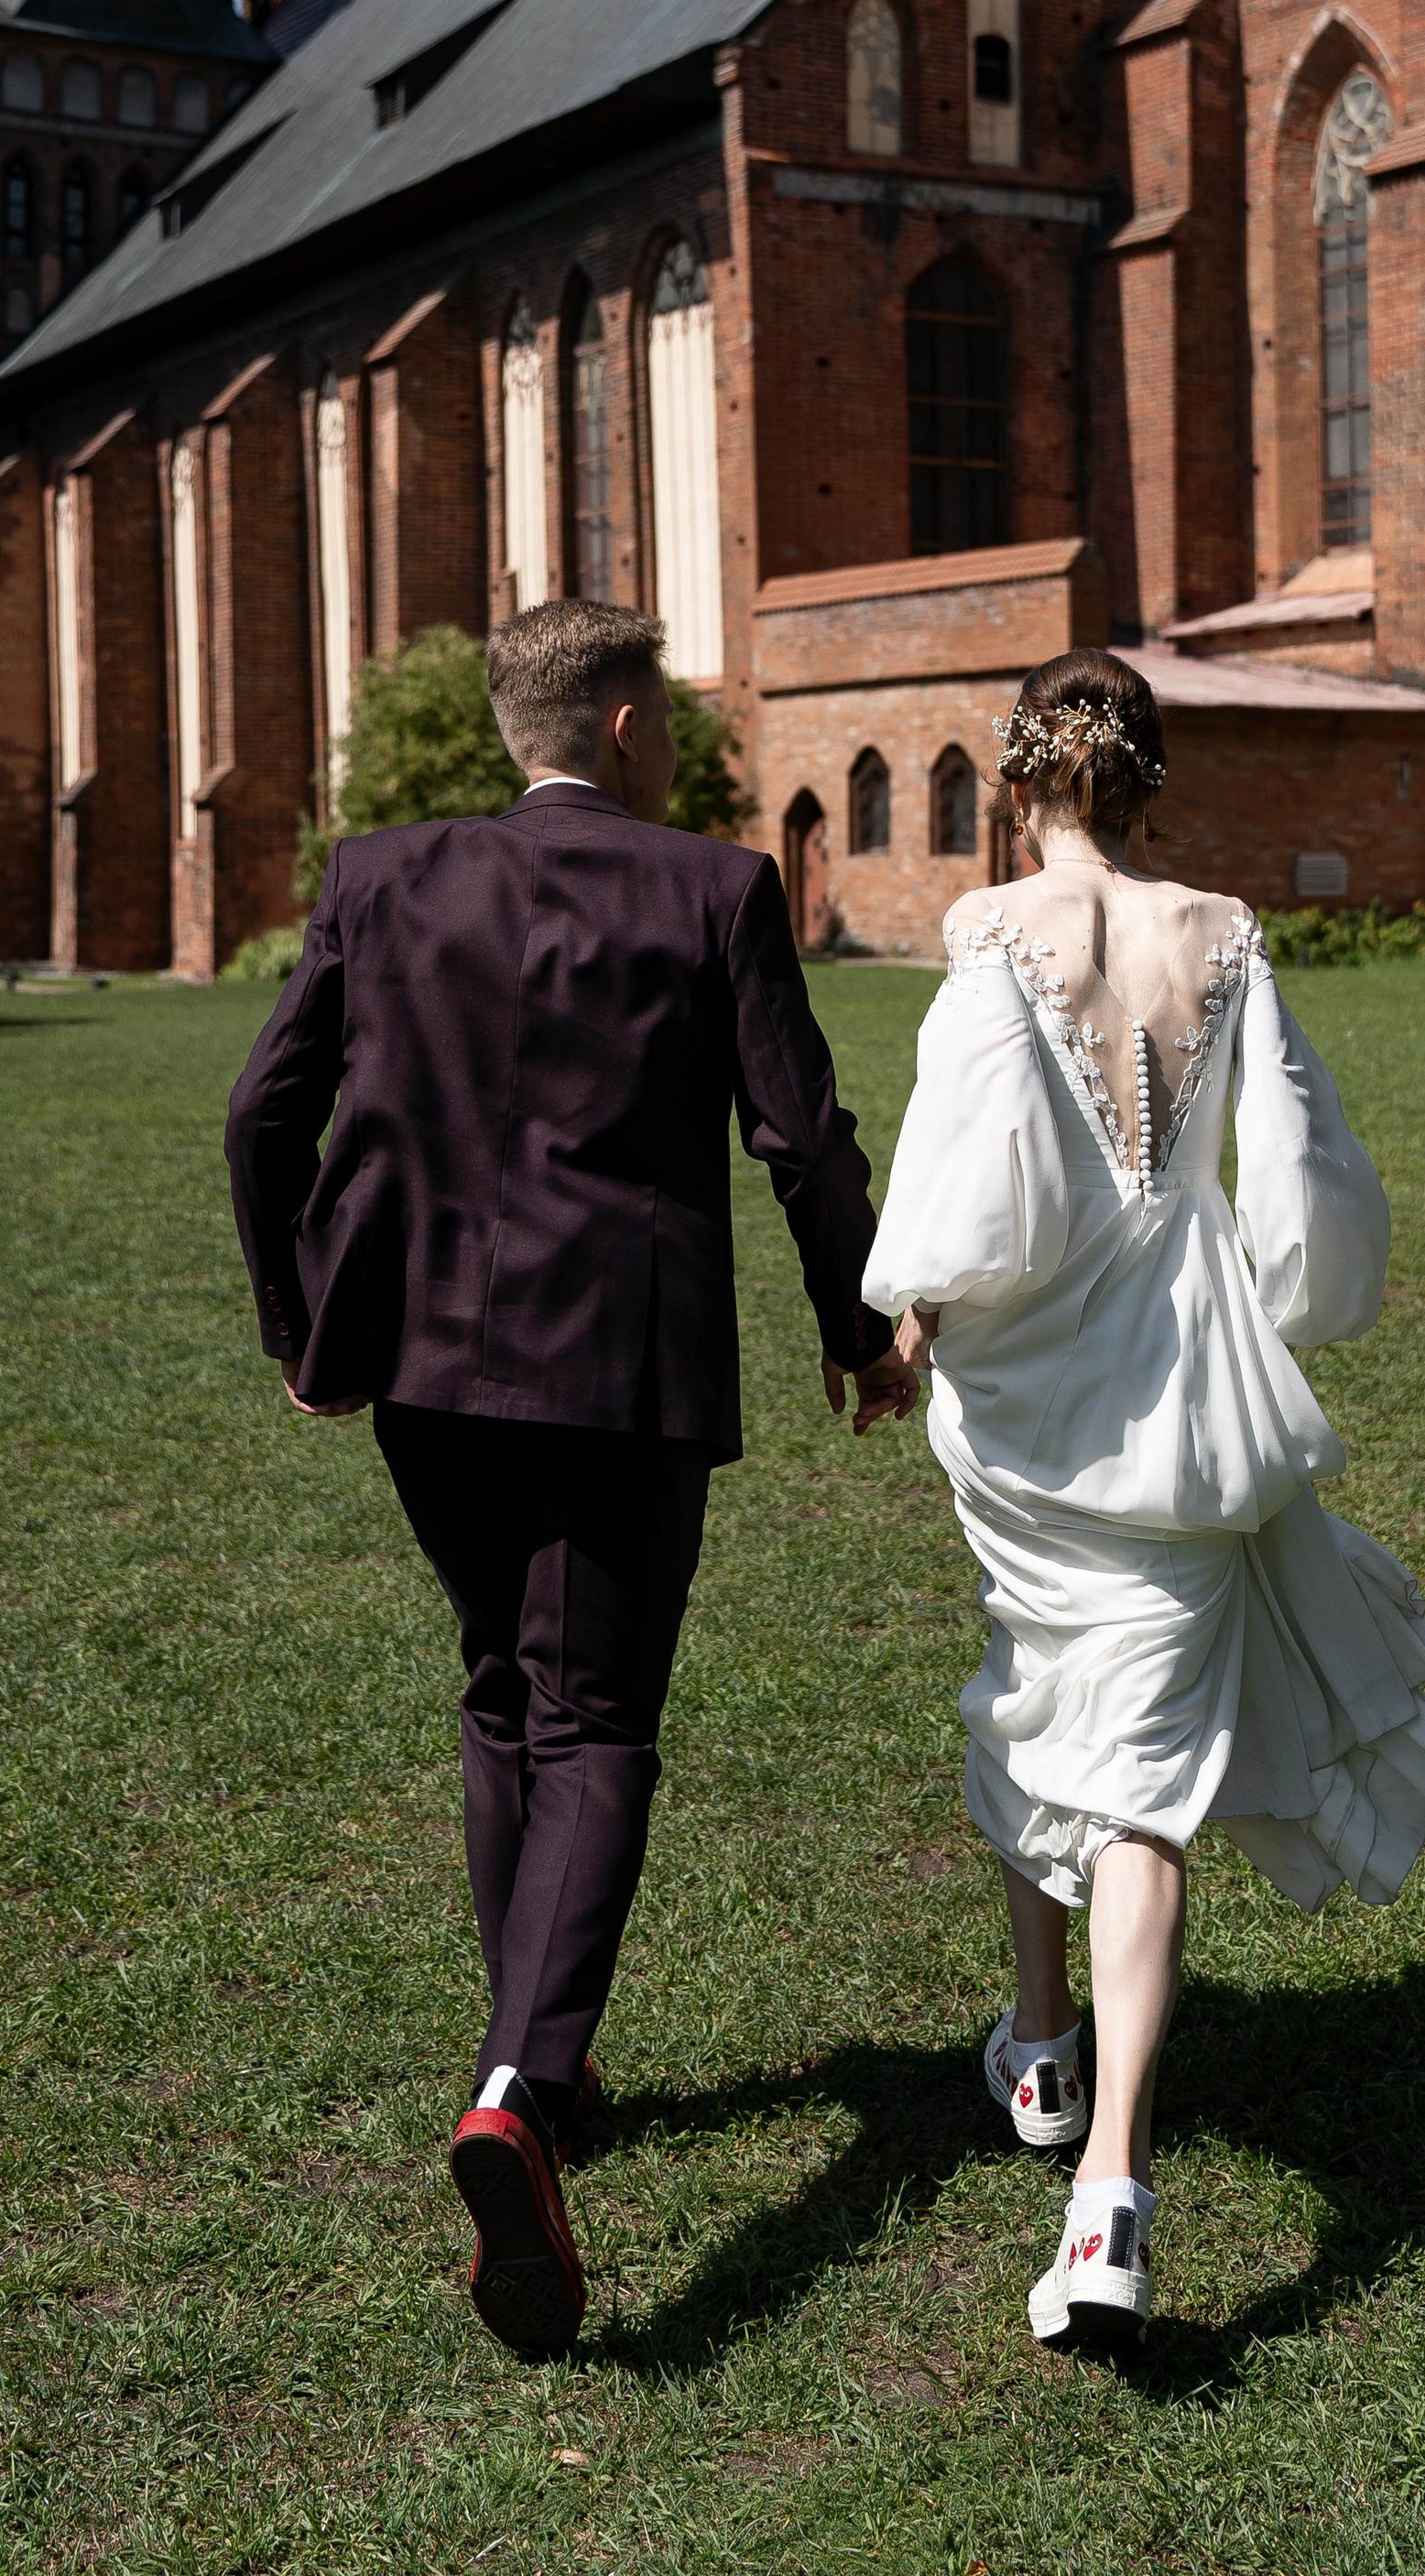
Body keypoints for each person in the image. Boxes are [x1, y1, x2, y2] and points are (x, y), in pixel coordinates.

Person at [225, 600, 915, 2362]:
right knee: (596, 1717)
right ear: (620, 729)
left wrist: (305, 1326)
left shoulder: (381, 876)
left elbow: (259, 1118)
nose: (678, 742)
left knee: (499, 1688)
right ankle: (522, 2095)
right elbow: (802, 1136)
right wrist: (861, 1323)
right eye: (667, 715)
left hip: (426, 1371)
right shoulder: (715, 889)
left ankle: (546, 2057)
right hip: (616, 1371)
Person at [858, 649, 1425, 2356]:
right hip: (1187, 1395)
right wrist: (1283, 1297)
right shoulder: (1227, 932)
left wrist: (906, 1317)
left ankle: (1103, 2163)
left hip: (1043, 1395)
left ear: (1021, 781)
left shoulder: (992, 933)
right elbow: (1292, 1149)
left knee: (1075, 1722)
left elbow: (966, 1175)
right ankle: (1047, 2042)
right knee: (1100, 1731)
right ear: (1145, 779)